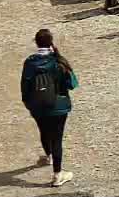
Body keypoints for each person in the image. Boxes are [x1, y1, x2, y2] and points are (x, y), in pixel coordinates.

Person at [22, 28, 78, 186]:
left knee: (44, 131)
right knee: (57, 138)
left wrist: (29, 104)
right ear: (51, 42)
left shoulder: (30, 62)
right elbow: (72, 84)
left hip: (38, 106)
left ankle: (48, 156)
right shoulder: (59, 61)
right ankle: (58, 174)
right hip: (59, 106)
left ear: (36, 42)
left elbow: (24, 87)